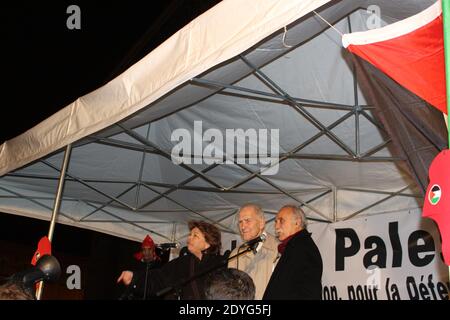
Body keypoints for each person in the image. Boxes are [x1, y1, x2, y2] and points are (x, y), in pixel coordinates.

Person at [119, 220, 224, 300]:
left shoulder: (222, 264)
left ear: (208, 243)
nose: (189, 238)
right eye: (190, 235)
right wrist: (135, 278)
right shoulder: (183, 262)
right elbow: (158, 278)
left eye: (195, 235)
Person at [263, 205, 323, 300]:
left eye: (281, 221)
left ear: (297, 222)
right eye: (275, 222)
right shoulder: (295, 246)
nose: (276, 226)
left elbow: (308, 292)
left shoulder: (302, 248)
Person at [227, 203, 278, 300]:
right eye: (240, 222)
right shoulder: (235, 254)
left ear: (262, 223)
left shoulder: (278, 248)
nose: (243, 226)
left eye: (247, 220)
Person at [117, 235, 163, 299]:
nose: (146, 252)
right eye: (144, 249)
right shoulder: (136, 264)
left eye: (149, 249)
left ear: (153, 251)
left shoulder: (158, 265)